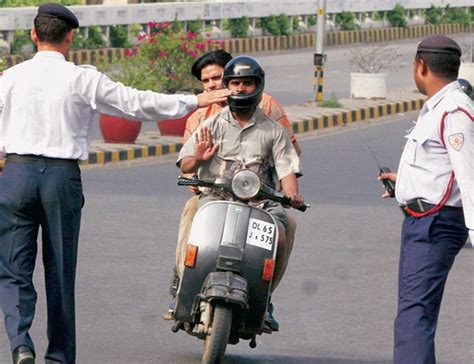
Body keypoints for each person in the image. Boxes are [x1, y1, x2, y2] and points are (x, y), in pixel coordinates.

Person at [0, 3, 229, 364]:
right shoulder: (82, 78)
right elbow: (136, 104)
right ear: (70, 38)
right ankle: (58, 358)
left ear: (33, 35)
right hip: (61, 178)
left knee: (13, 270)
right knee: (60, 273)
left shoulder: (10, 78)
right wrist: (194, 100)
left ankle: (20, 344)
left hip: (16, 174)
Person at [175, 55, 305, 331]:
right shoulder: (210, 123)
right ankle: (183, 282)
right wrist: (197, 159)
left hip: (261, 204)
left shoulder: (273, 129)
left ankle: (265, 295)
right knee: (192, 222)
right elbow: (185, 164)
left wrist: (292, 194)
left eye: (248, 83)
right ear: (227, 86)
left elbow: (287, 172)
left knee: (284, 232)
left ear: (258, 86)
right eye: (235, 83)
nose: (241, 89)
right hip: (215, 198)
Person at [379, 34, 473, 363]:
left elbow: (469, 176)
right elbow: (439, 166)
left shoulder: (455, 110)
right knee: (414, 314)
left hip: (437, 225)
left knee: (413, 317)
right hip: (423, 221)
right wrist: (403, 182)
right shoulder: (438, 106)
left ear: (421, 66)